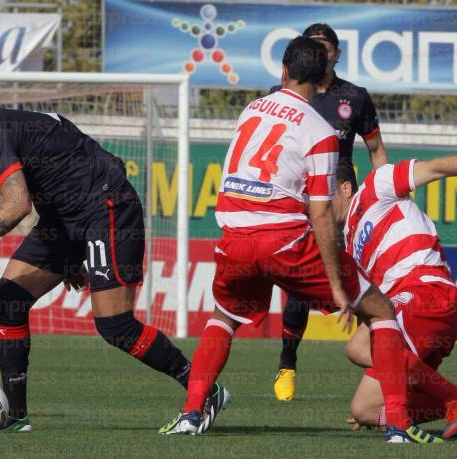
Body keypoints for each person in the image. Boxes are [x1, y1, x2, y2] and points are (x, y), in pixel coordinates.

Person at [159, 36, 449, 443]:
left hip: (235, 237)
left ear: (283, 70)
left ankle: (192, 412)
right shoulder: (321, 130)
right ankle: (400, 427)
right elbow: (320, 214)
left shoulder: (252, 109)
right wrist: (334, 285)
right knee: (380, 311)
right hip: (284, 241)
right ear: (322, 77)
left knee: (223, 318)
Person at [0, 96, 228, 433]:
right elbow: (60, 148)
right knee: (7, 302)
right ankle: (16, 417)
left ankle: (205, 390)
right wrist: (71, 253)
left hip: (106, 207)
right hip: (65, 219)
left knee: (115, 325)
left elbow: (16, 206)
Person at [271, 23, 389, 401]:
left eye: (327, 47)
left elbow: (376, 151)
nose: (321, 53)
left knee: (369, 286)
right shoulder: (284, 95)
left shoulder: (354, 97)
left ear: (337, 54)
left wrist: (382, 195)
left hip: (345, 204)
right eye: (314, 47)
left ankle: (385, 378)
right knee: (300, 286)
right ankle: (288, 360)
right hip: (302, 201)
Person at [329, 159, 457, 437]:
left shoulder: (376, 185)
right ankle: (447, 401)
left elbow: (437, 168)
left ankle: (452, 399)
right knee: (365, 410)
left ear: (346, 187)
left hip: (426, 291)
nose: (317, 200)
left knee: (359, 347)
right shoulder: (348, 243)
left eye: (325, 191)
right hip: (406, 315)